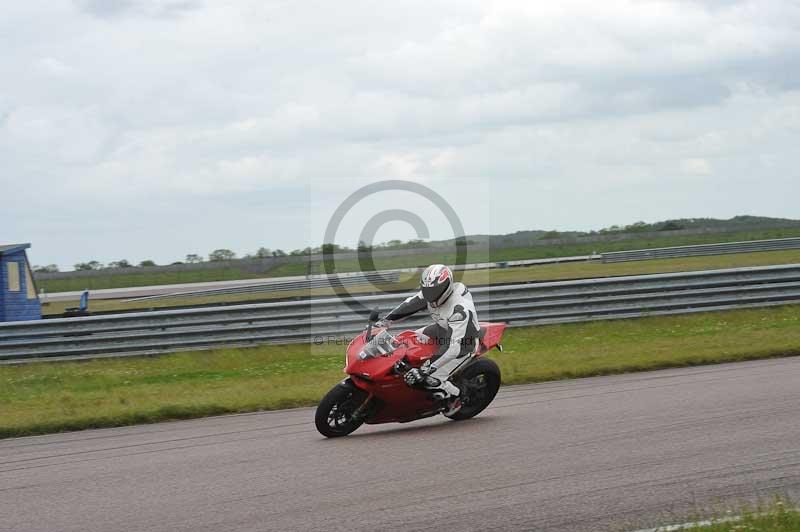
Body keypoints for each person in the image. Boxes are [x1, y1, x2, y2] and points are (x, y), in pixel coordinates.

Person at [377, 264, 481, 415]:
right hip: (441, 330)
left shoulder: (460, 310)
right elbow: (410, 305)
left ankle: (456, 397)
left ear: (446, 286)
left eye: (434, 291)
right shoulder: (431, 293)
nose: (430, 295)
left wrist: (424, 369)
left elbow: (452, 348)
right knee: (404, 339)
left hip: (463, 343)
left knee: (428, 377)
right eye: (427, 290)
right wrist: (384, 322)